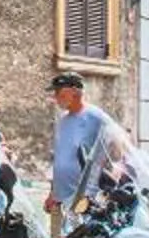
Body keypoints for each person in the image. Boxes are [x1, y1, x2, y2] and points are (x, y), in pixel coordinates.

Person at [46, 72, 130, 221]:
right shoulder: (63, 121)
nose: (56, 96)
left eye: (59, 91)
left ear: (74, 92)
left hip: (84, 203)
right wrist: (52, 193)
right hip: (60, 202)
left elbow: (118, 146)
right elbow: (60, 159)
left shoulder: (96, 117)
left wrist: (111, 173)